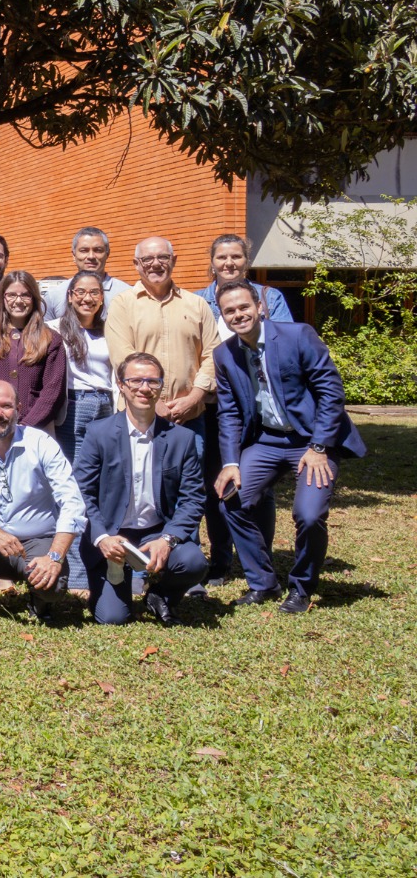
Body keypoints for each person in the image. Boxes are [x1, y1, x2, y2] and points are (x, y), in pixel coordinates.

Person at [213, 282, 365, 613]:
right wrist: (230, 463)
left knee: (309, 516)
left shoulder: (298, 336)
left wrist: (320, 446)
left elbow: (331, 392)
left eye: (243, 307)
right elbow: (229, 413)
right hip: (266, 440)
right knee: (232, 500)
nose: (238, 315)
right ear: (222, 316)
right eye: (230, 311)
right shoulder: (224, 354)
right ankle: (263, 583)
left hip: (311, 441)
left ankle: (301, 587)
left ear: (259, 306)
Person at [104, 236, 223, 580]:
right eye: (147, 259)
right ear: (136, 264)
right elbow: (123, 358)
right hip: (139, 417)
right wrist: (151, 406)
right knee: (140, 488)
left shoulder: (197, 304)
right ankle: (134, 563)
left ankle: (187, 564)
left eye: (162, 257)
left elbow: (212, 355)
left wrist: (195, 396)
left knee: (188, 490)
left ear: (174, 260)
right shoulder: (124, 304)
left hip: (190, 417)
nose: (155, 264)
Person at [72, 353, 210, 625]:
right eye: (135, 381)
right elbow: (81, 493)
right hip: (112, 536)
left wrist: (168, 539)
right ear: (121, 385)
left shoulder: (182, 439)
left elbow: (193, 499)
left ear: (161, 387)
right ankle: (106, 591)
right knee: (112, 618)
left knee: (193, 563)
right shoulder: (98, 433)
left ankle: (160, 596)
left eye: (152, 381)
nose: (144, 388)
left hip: (158, 531)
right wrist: (102, 537)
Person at [0, 381, 87, 623]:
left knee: (51, 589)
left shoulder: (41, 443)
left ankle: (40, 602)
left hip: (37, 542)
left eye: (6, 406)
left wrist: (54, 556)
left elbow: (72, 502)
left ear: (18, 409)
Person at [48, 269, 115, 590]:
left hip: (109, 407)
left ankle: (104, 563)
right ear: (70, 296)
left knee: (103, 486)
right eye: (81, 292)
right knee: (76, 489)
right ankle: (74, 573)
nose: (88, 298)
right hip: (75, 409)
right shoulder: (55, 330)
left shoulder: (111, 330)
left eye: (95, 292)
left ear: (102, 298)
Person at [0, 270, 66, 431]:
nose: (18, 301)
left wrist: (26, 426)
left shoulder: (51, 339)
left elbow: (53, 391)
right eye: (11, 295)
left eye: (25, 295)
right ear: (3, 298)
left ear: (34, 298)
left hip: (37, 428)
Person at [196, 234, 293, 336]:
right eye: (222, 257)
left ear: (246, 262)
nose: (229, 263)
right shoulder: (197, 301)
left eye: (236, 257)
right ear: (212, 263)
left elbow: (286, 340)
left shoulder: (270, 297)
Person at [40, 227, 132, 319]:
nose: (91, 256)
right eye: (84, 250)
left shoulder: (128, 294)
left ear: (107, 254)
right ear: (74, 255)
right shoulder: (54, 296)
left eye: (98, 250)